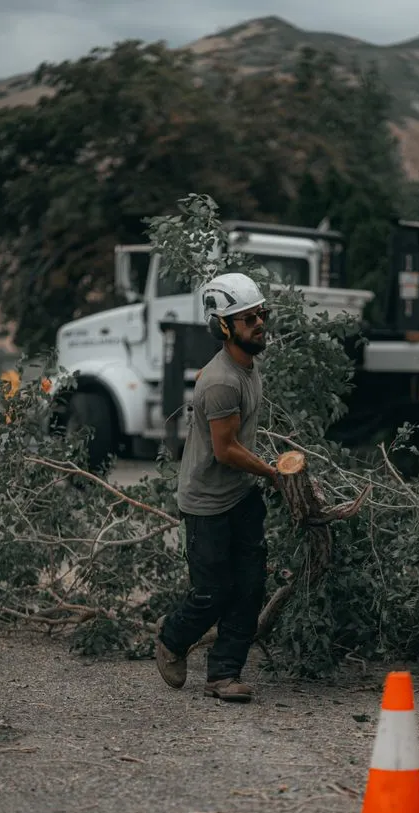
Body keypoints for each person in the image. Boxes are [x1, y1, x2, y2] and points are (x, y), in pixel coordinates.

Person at [154, 272, 279, 703]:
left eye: (261, 314)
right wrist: (274, 473)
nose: (259, 323)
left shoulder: (249, 366)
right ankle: (172, 639)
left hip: (241, 495)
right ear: (223, 326)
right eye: (247, 318)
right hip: (207, 502)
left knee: (248, 587)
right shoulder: (221, 380)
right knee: (212, 593)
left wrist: (263, 475)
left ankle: (223, 676)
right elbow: (226, 449)